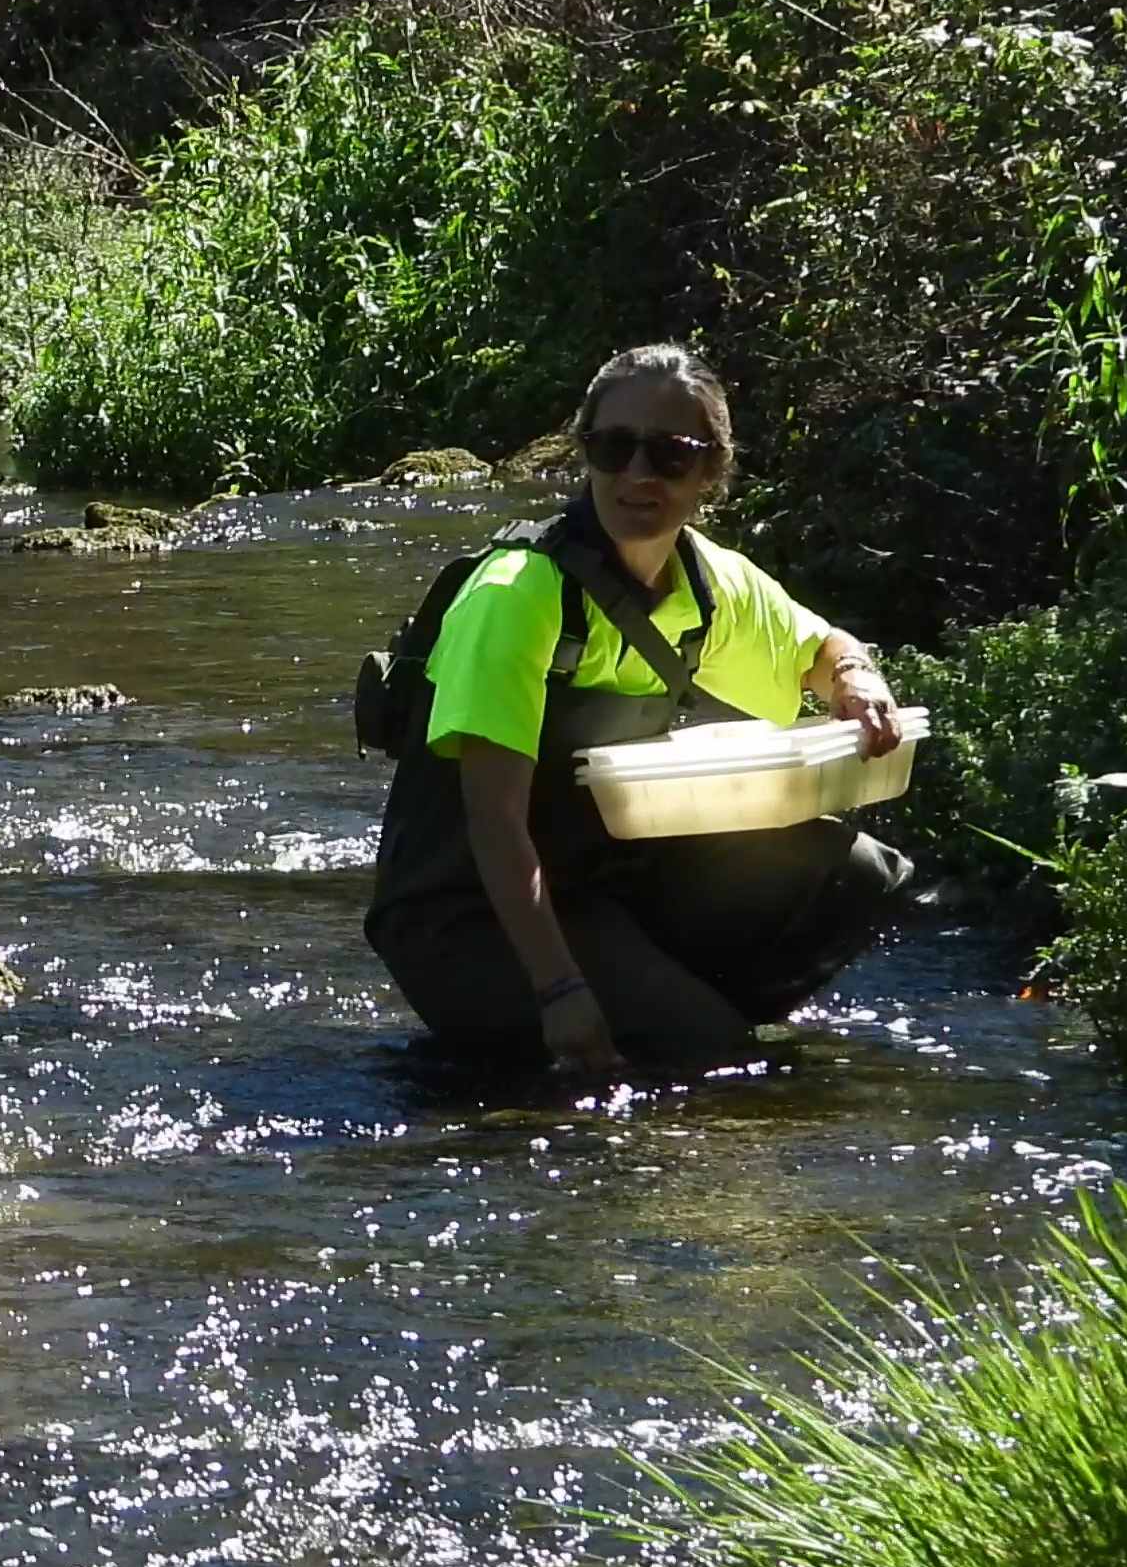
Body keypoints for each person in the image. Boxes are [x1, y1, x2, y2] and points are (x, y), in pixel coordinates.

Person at [365, 344, 913, 1076]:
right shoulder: (518, 596)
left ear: (711, 471)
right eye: (613, 447)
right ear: (584, 453)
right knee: (706, 1055)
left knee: (861, 872)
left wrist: (856, 678)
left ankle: (680, 1020)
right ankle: (642, 1033)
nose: (637, 475)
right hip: (463, 914)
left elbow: (819, 647)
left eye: (669, 455)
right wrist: (561, 992)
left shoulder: (712, 584)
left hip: (594, 890)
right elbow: (493, 824)